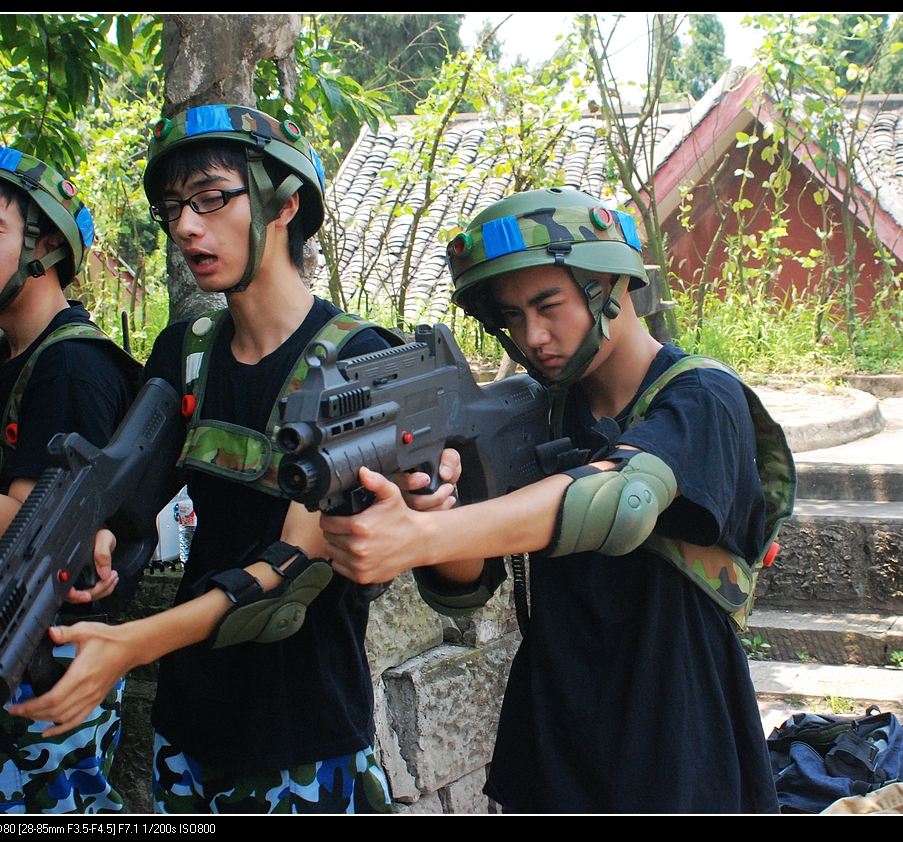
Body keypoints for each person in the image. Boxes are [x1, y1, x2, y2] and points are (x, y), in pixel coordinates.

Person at [9, 104, 464, 814]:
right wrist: (93, 538)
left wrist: (130, 644)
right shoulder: (187, 349)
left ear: (285, 204)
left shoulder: (362, 361)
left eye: (211, 199)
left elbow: (288, 575)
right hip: (186, 731)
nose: (187, 226)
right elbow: (129, 493)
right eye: (173, 208)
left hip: (300, 736)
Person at [319, 187, 793, 812]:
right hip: (556, 733)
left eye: (549, 305)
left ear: (611, 286)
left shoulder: (703, 398)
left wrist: (421, 537)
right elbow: (465, 587)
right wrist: (438, 513)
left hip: (675, 731)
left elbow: (623, 499)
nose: (532, 335)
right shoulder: (538, 411)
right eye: (511, 317)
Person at [0, 146, 139, 813]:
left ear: (44, 249)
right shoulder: (1, 353)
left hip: (41, 670)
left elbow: (28, 532)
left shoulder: (70, 369)